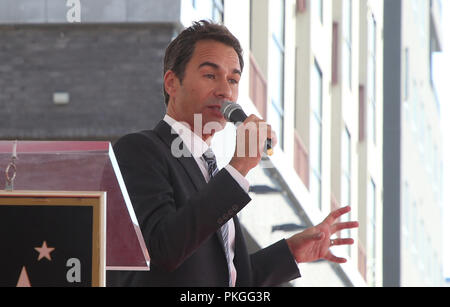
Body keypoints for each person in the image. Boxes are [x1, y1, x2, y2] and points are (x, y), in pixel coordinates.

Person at [106, 20, 358, 287]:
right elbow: (160, 249)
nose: (225, 91)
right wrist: (238, 167)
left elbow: (226, 278)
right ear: (172, 83)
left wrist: (291, 252)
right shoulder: (140, 150)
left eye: (233, 80)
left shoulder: (211, 172)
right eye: (210, 75)